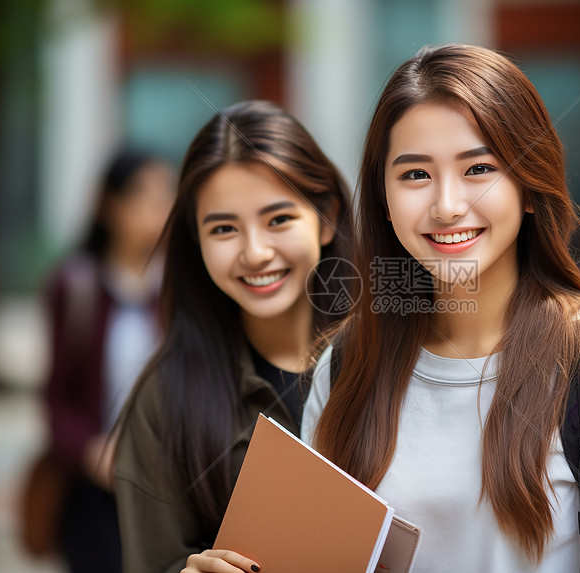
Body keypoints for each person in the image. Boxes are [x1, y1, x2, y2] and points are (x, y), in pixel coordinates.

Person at [302, 44, 580, 571]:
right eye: (415, 175)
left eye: (479, 168)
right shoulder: (344, 368)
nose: (446, 206)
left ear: (530, 188)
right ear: (385, 202)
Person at [112, 100, 354, 573]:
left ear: (326, 215)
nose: (256, 252)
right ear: (196, 241)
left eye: (278, 219)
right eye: (224, 228)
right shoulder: (164, 400)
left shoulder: (401, 358)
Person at [44, 149, 175, 573]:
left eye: (166, 194)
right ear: (108, 204)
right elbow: (57, 393)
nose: (158, 207)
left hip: (168, 483)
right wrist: (89, 451)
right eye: (143, 194)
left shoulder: (182, 286)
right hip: (96, 487)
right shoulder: (76, 286)